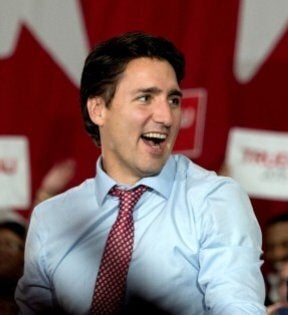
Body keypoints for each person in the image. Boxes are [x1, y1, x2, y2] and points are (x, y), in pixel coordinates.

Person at [15, 31, 265, 314]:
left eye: (173, 100)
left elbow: (237, 305)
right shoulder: (51, 218)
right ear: (98, 109)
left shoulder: (214, 199)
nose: (167, 117)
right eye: (146, 98)